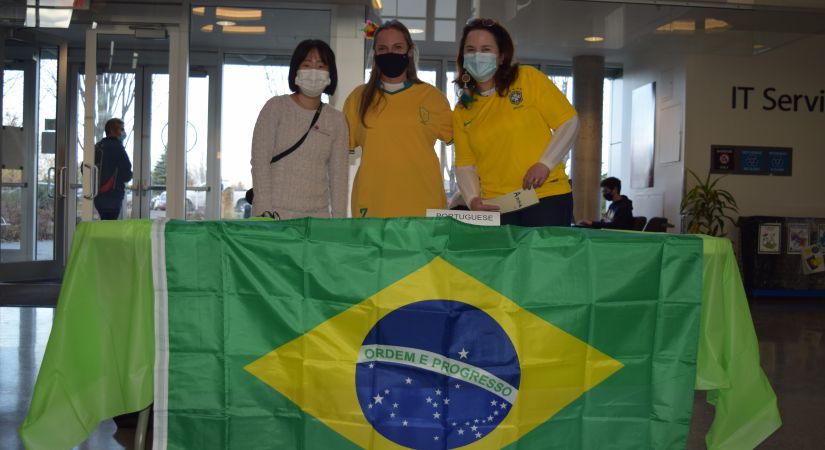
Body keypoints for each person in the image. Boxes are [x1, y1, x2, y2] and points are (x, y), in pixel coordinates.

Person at [452, 18, 579, 227]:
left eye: (486, 49)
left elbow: (568, 121)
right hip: (496, 206)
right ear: (463, 57)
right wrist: (473, 199)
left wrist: (545, 163)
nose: (477, 56)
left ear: (501, 56)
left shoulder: (527, 78)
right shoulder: (462, 109)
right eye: (471, 49)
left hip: (546, 196)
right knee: (503, 261)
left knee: (544, 259)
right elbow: (465, 163)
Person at [343, 20, 453, 218]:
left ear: (409, 52)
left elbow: (467, 148)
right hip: (372, 204)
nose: (390, 53)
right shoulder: (357, 98)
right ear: (375, 54)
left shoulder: (432, 97)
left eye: (397, 47)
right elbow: (336, 153)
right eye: (382, 48)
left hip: (424, 204)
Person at [250, 39, 348, 219]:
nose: (313, 72)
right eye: (307, 64)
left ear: (330, 73)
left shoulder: (336, 120)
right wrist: (264, 209)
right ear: (296, 70)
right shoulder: (275, 108)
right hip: (274, 215)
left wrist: (339, 221)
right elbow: (259, 162)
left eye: (320, 66)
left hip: (318, 218)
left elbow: (339, 176)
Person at [94, 118, 133, 220]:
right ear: (112, 130)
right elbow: (127, 175)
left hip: (97, 196)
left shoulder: (97, 146)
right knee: (110, 228)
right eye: (121, 129)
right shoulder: (118, 148)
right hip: (113, 197)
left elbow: (85, 168)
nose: (123, 133)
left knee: (104, 224)